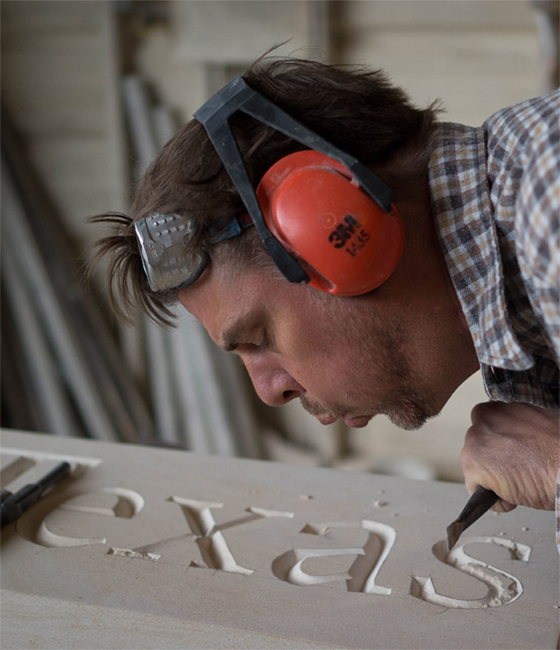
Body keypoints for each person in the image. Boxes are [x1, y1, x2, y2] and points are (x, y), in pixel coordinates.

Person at [93, 57, 559, 529]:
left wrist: (555, 466)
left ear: (338, 226)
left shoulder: (549, 211)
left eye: (259, 338)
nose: (270, 392)